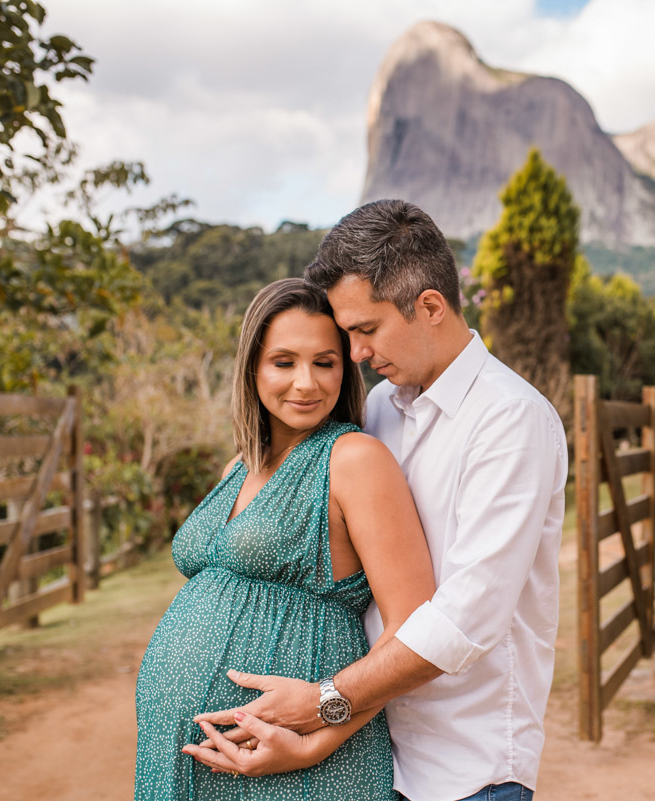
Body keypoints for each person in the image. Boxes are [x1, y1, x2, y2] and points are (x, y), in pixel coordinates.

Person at [187, 200, 568, 801]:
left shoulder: (510, 419)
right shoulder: (383, 409)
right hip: (374, 755)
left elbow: (466, 620)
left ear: (431, 307)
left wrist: (325, 703)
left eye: (365, 330)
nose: (357, 353)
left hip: (466, 771)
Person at [134, 277, 435, 800]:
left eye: (325, 362)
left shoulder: (353, 459)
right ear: (252, 367)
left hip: (294, 767)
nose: (306, 383)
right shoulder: (240, 466)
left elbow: (414, 628)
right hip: (180, 757)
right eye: (284, 362)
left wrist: (316, 740)